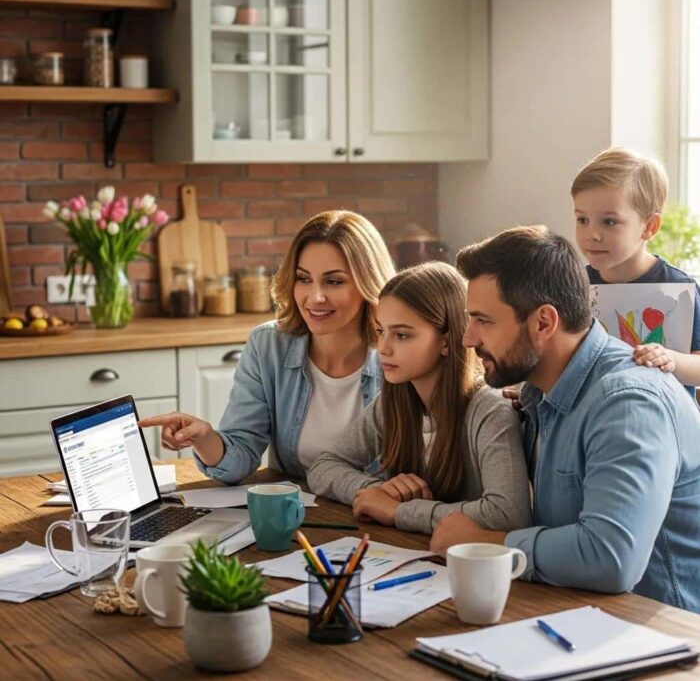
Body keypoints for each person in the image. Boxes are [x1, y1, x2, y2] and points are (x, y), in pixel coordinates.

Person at [430, 225, 700, 612]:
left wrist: (491, 543)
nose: (467, 339)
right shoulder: (538, 392)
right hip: (578, 615)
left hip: (663, 644)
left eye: (483, 321)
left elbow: (611, 559)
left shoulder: (628, 403)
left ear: (543, 323)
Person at [139, 210, 396, 483]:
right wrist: (205, 437)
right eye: (304, 279)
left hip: (377, 515)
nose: (315, 297)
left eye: (334, 281)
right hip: (298, 515)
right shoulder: (269, 346)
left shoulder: (397, 353)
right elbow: (242, 455)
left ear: (369, 283)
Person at [307, 262, 532, 534]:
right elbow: (323, 468)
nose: (383, 348)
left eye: (402, 335)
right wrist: (378, 491)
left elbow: (507, 514)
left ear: (448, 342)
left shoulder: (490, 411)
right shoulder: (391, 404)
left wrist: (399, 511)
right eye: (381, 331)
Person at [572, 146, 700, 401]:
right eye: (582, 220)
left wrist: (672, 359)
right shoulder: (573, 285)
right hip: (594, 421)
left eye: (609, 222)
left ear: (649, 227)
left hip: (663, 422)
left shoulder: (679, 288)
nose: (591, 234)